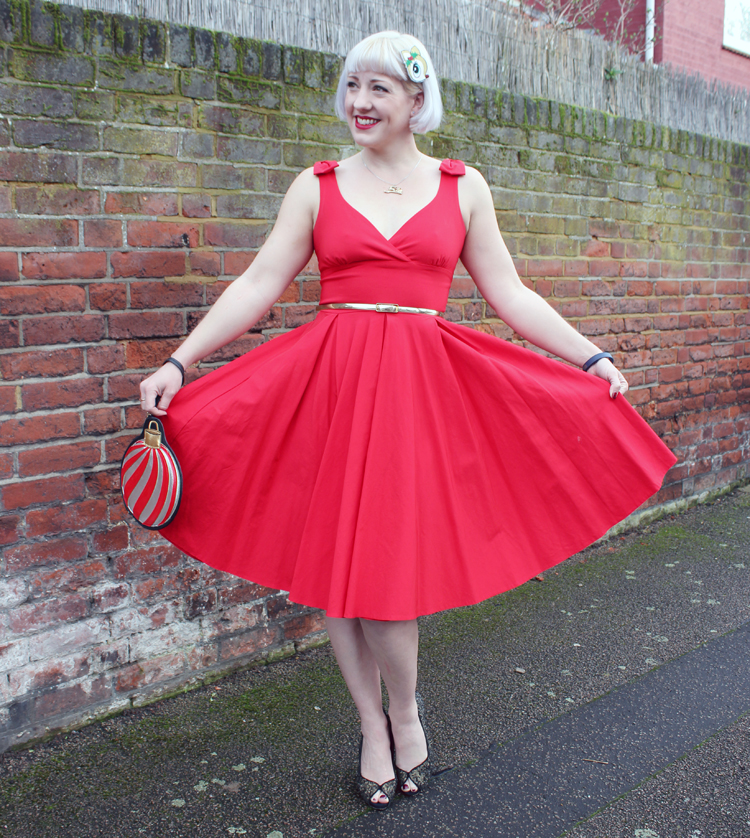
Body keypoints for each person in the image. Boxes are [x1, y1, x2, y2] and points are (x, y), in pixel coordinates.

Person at [138, 31, 676, 809]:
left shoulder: (463, 186)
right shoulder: (316, 185)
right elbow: (258, 284)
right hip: (331, 389)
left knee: (387, 575)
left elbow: (510, 294)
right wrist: (180, 362)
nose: (358, 101)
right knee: (336, 572)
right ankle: (369, 725)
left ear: (417, 101)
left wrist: (590, 358)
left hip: (414, 399)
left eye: (378, 88)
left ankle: (408, 714)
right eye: (352, 85)